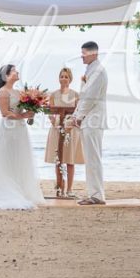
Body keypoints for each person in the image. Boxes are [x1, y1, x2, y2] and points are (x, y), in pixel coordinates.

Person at [0, 64, 44, 210]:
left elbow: (23, 111)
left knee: (20, 158)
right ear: (6, 76)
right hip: (8, 129)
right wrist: (23, 116)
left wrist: (31, 113)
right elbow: (5, 113)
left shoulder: (19, 92)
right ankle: (8, 190)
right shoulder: (3, 92)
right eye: (13, 71)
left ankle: (22, 190)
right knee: (8, 158)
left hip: (20, 129)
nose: (17, 72)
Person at [73, 42, 108, 206]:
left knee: (93, 158)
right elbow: (83, 96)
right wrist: (76, 114)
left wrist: (79, 116)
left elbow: (90, 98)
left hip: (93, 120)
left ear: (94, 54)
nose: (82, 56)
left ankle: (97, 195)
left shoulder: (98, 71)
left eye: (84, 53)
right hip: (89, 119)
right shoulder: (91, 70)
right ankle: (94, 193)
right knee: (90, 158)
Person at [44, 67, 85, 198]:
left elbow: (79, 113)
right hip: (56, 129)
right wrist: (52, 119)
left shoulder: (76, 95)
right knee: (58, 160)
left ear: (70, 79)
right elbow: (50, 112)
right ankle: (59, 188)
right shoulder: (53, 95)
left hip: (71, 130)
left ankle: (70, 189)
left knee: (70, 160)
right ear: (59, 78)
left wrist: (70, 124)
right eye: (62, 76)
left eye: (66, 77)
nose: (63, 79)